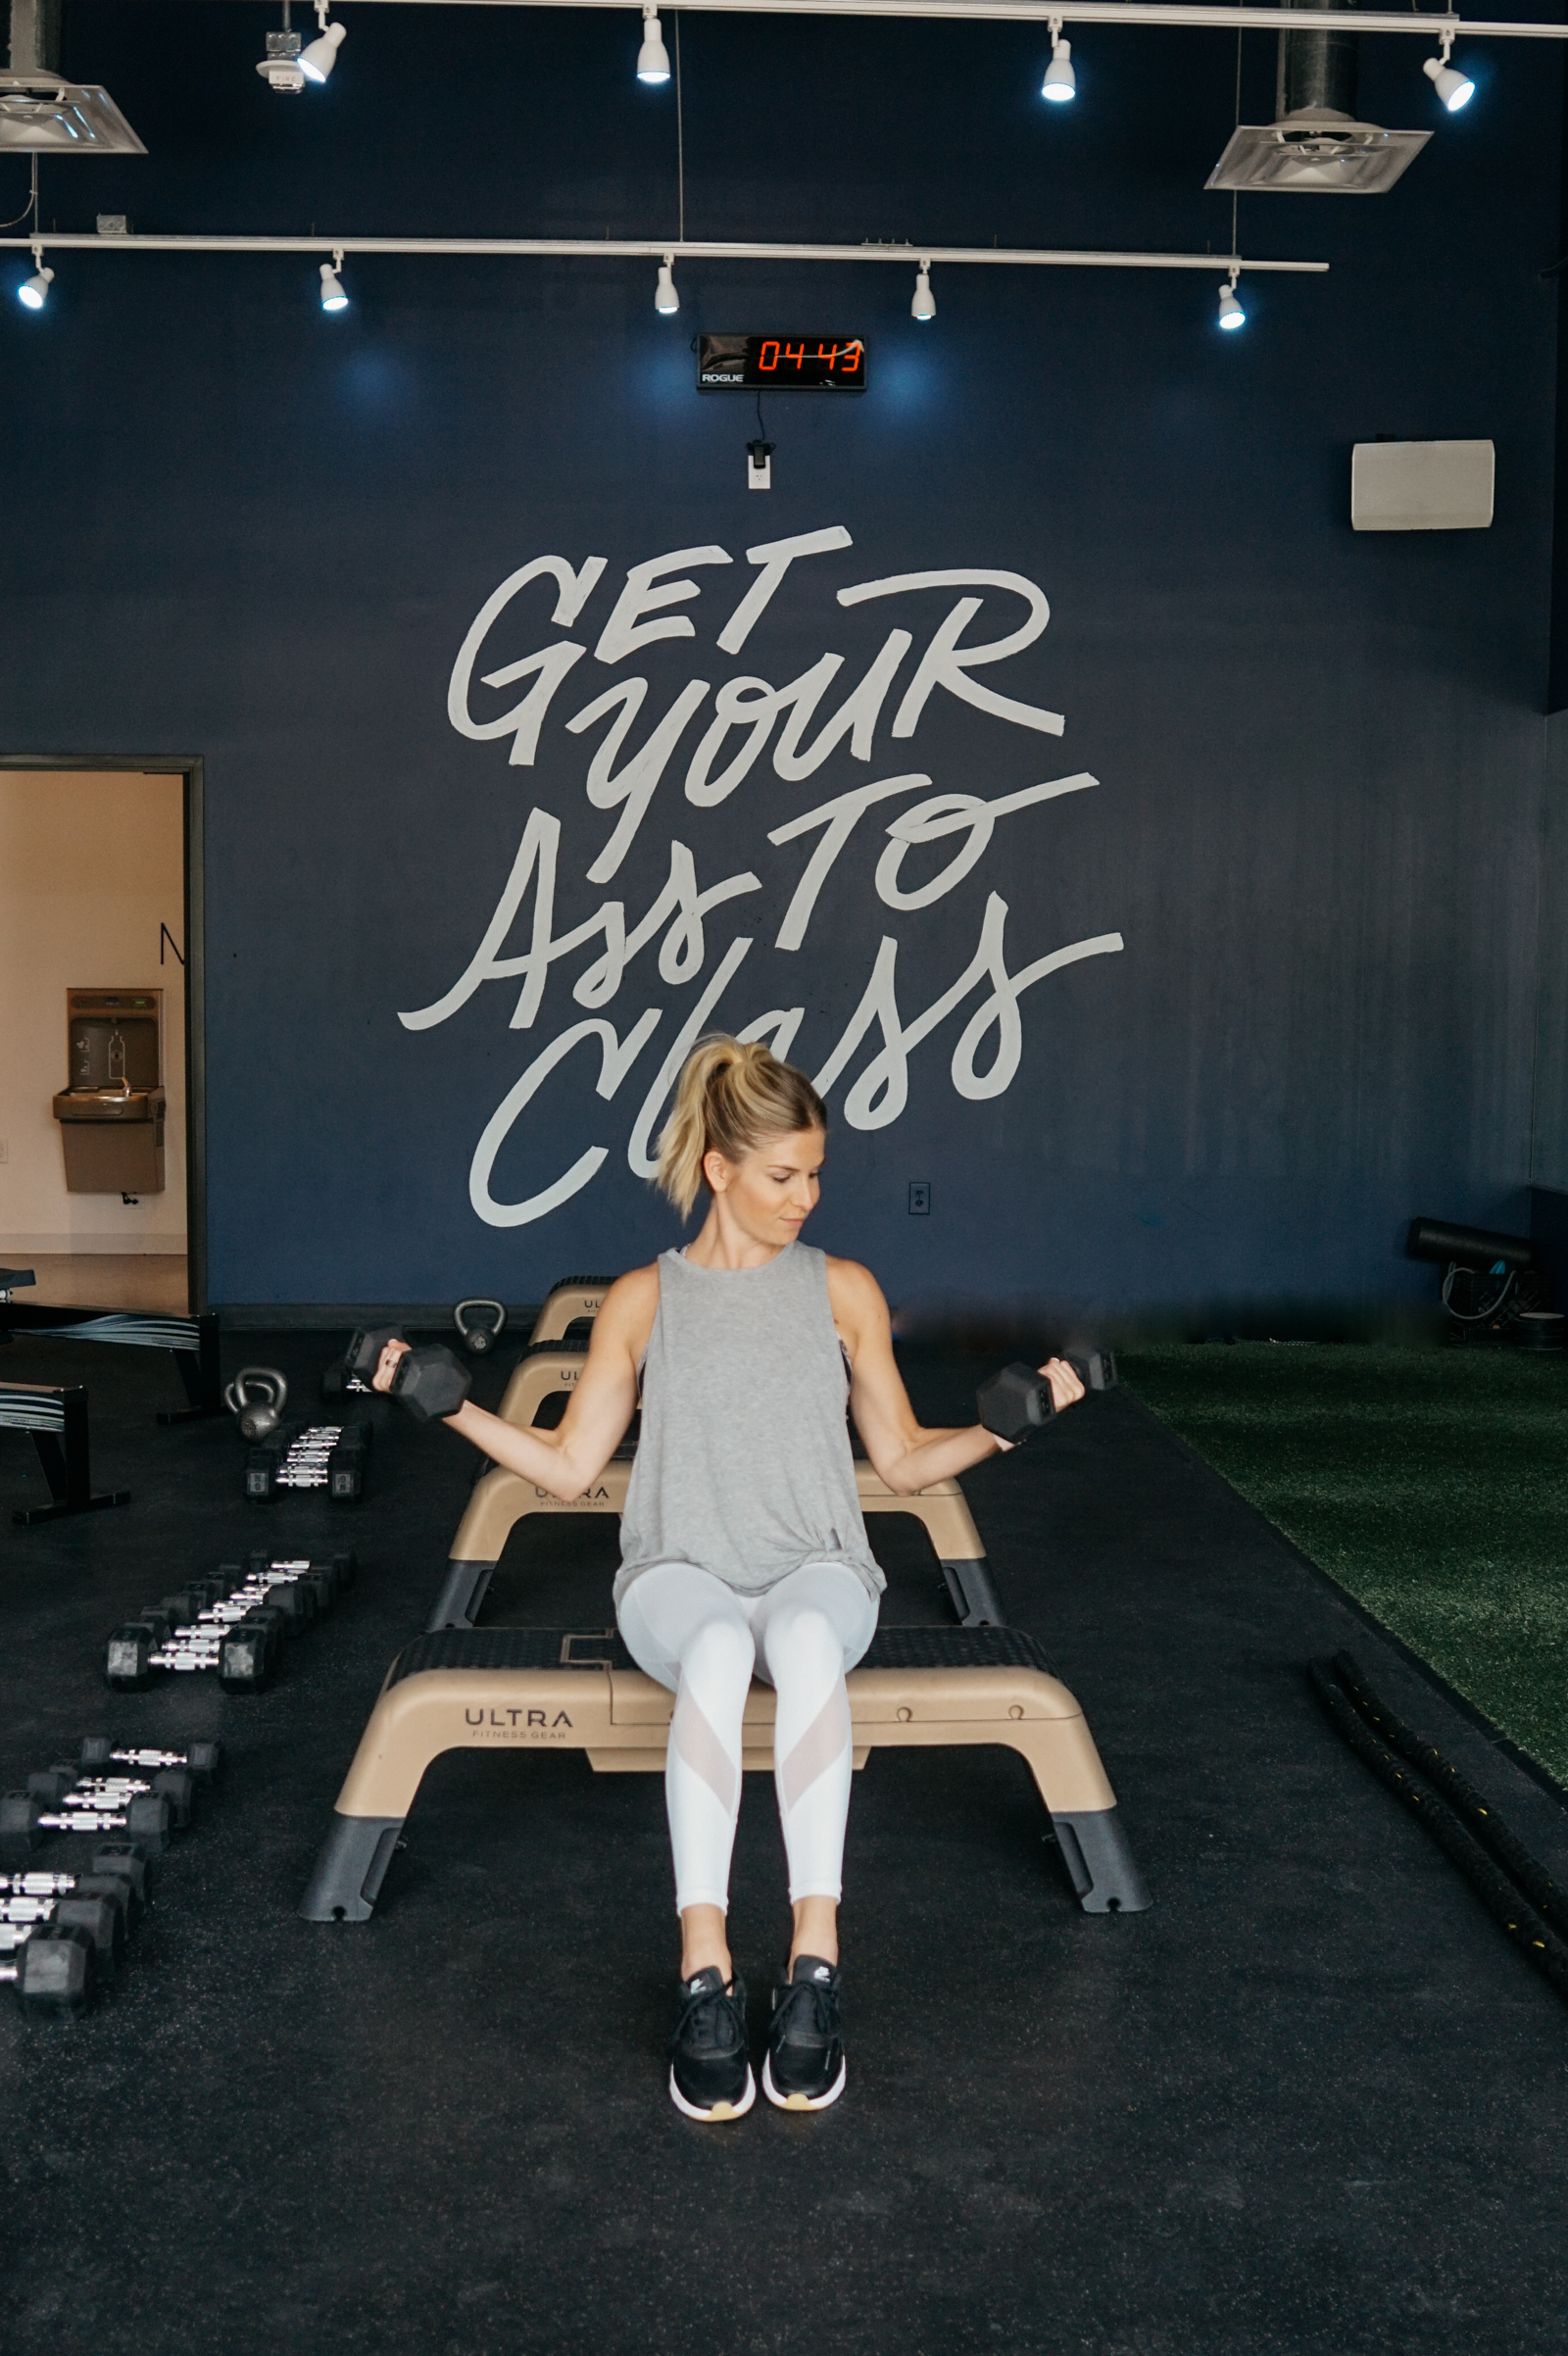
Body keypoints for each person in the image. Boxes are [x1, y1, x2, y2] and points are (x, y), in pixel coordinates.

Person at [372, 1037, 1084, 2121]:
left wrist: (1005, 1428)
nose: (807, 1198)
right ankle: (703, 1967)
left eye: (815, 1176)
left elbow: (896, 1461)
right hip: (678, 1570)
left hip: (818, 1565)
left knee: (799, 1645)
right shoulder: (641, 1300)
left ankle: (813, 1963)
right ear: (717, 1168)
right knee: (714, 1649)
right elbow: (567, 1471)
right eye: (782, 1176)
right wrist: (450, 1403)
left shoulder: (842, 1289)